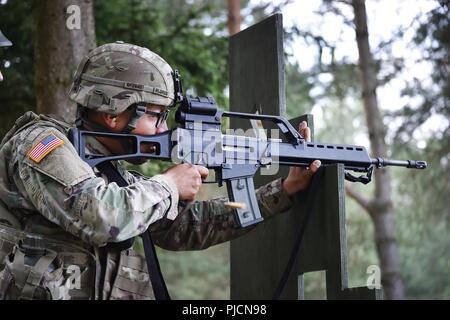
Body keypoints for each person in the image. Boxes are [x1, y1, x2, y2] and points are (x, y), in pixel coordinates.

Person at [0, 41, 321, 300]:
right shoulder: (40, 143)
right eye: (156, 116)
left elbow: (185, 226)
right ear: (114, 114)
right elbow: (100, 216)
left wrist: (283, 191)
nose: (162, 129)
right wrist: (169, 184)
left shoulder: (113, 175)